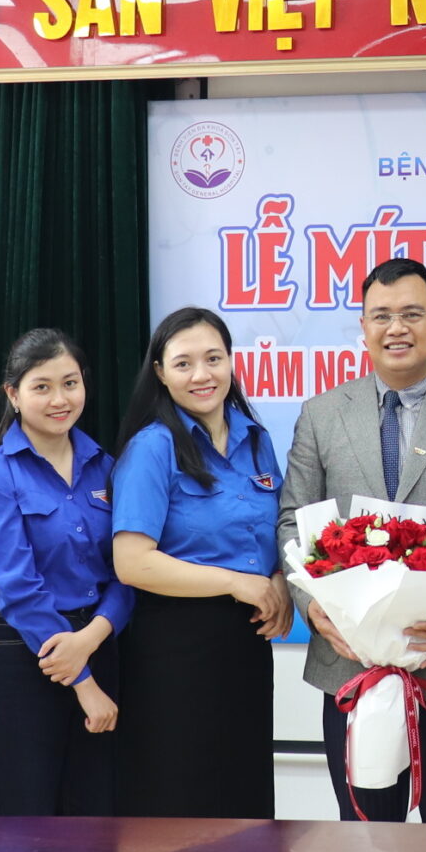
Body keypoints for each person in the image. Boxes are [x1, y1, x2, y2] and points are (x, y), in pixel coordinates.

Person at [279, 258, 426, 822]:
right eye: (381, 315)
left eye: (412, 314)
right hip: (350, 663)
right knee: (364, 842)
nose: (397, 328)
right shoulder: (321, 415)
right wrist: (314, 609)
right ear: (363, 326)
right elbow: (293, 521)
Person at [109, 307, 289, 818]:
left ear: (231, 361)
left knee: (244, 796)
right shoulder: (153, 447)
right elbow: (132, 563)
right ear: (160, 373)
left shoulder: (256, 440)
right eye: (183, 363)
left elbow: (276, 528)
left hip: (246, 644)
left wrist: (278, 581)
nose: (202, 374)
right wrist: (237, 582)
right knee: (181, 799)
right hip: (174, 648)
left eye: (213, 358)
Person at [0, 329, 127, 817]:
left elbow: (127, 568)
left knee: (95, 819)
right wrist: (83, 682)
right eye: (42, 387)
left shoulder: (106, 467)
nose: (60, 399)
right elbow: (16, 588)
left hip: (99, 644)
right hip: (22, 655)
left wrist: (92, 638)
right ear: (13, 394)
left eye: (70, 383)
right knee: (23, 825)